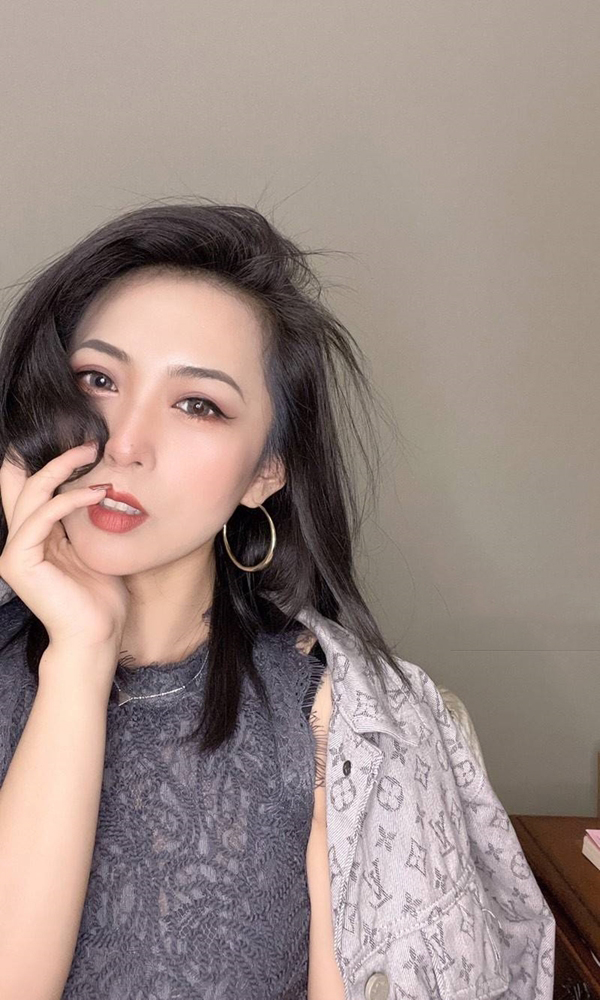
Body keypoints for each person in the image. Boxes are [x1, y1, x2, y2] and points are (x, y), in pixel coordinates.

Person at [0, 202, 555, 1000]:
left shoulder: (343, 724)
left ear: (265, 472)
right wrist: (79, 657)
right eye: (99, 380)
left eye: (198, 404)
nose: (124, 442)